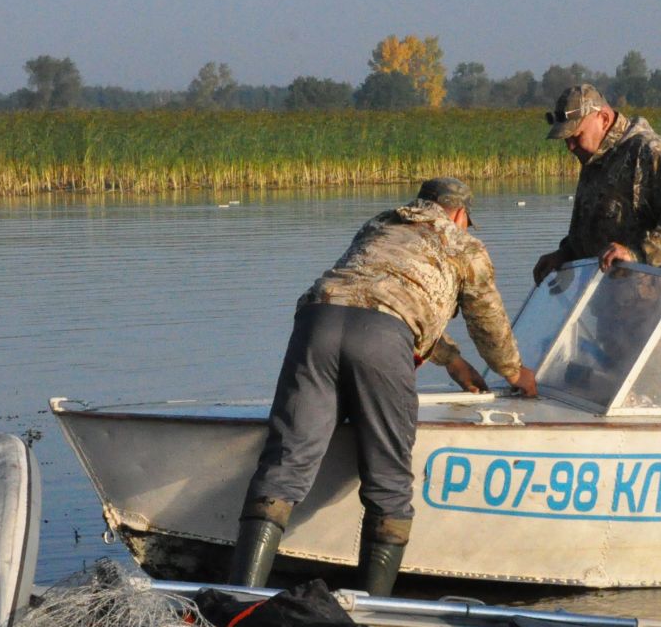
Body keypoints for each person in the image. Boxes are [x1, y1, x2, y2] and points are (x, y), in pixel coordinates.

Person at [230, 177, 538, 596]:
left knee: (282, 468)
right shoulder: (464, 245)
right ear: (461, 215)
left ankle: (237, 599)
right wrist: (515, 373)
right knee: (389, 486)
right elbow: (486, 321)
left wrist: (452, 360)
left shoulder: (381, 224)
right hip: (381, 341)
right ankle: (373, 613)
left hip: (317, 321)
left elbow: (372, 293)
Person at [532, 83, 661, 284]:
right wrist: (565, 254)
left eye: (576, 136)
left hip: (655, 303)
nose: (570, 146)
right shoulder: (594, 157)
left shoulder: (649, 151)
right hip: (608, 301)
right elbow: (594, 229)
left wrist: (638, 254)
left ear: (604, 119)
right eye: (566, 140)